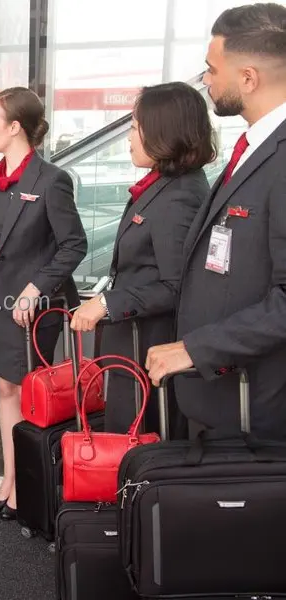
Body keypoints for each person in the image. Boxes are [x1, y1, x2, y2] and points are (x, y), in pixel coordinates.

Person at [146, 3, 286, 440]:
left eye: (211, 69)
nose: (206, 81)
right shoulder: (254, 149)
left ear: (248, 78)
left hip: (255, 414)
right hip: (221, 400)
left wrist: (196, 348)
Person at [0, 87, 87, 520]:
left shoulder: (51, 179)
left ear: (15, 126)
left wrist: (36, 288)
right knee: (5, 388)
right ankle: (9, 479)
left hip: (33, 306)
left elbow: (74, 245)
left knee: (28, 393)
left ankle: (24, 486)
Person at [70, 82, 214, 435]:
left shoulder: (180, 196)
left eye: (135, 128)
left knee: (136, 442)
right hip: (133, 346)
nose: (129, 138)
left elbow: (177, 285)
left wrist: (108, 302)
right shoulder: (162, 185)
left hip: (150, 346)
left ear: (163, 131)